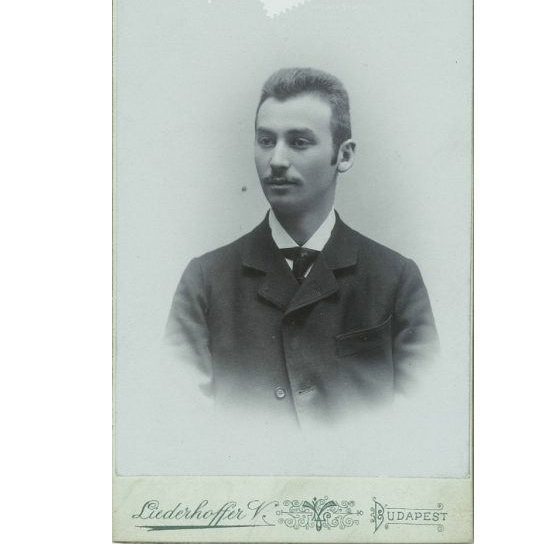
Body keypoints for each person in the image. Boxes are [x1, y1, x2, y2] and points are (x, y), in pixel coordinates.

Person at [165, 67, 439, 428]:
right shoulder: (205, 281)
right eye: (266, 140)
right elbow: (181, 426)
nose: (276, 160)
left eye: (299, 142)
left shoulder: (396, 279)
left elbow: (422, 423)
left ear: (344, 155)